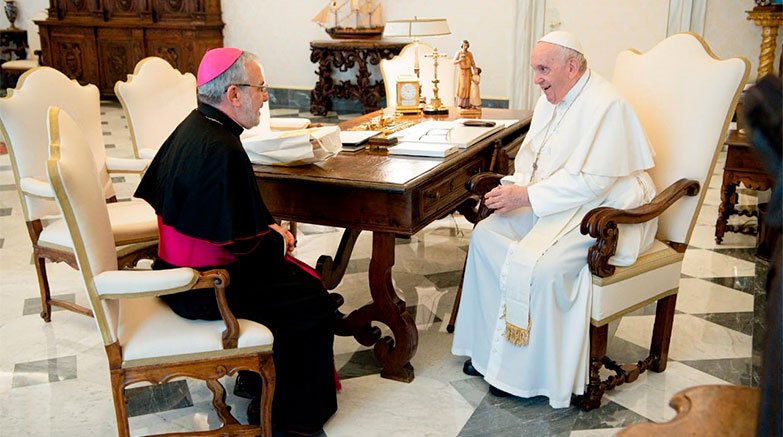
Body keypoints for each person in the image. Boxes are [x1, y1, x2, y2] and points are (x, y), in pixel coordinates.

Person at [134, 48, 337, 434]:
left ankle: (252, 376)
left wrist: (269, 233)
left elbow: (223, 222)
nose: (265, 97)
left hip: (178, 272)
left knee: (300, 285)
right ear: (233, 95)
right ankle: (286, 416)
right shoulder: (221, 147)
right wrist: (278, 241)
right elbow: (239, 246)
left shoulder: (197, 126)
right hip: (204, 288)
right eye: (260, 88)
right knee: (311, 301)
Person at [451, 31, 658, 408]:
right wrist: (513, 189)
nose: (537, 79)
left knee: (544, 268)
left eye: (543, 69)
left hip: (601, 209)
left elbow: (595, 181)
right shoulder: (552, 96)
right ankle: (487, 355)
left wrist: (527, 196)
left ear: (572, 67)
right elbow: (533, 155)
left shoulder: (607, 105)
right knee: (485, 236)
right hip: (552, 198)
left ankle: (528, 374)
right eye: (535, 69)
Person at [453, 40, 476, 108]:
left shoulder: (469, 53)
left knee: (468, 87)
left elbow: (472, 62)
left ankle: (467, 104)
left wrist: (475, 69)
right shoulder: (459, 53)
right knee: (462, 87)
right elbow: (454, 61)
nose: (465, 47)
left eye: (467, 45)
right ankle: (461, 103)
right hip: (462, 72)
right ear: (462, 45)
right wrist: (460, 60)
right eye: (464, 45)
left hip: (468, 71)